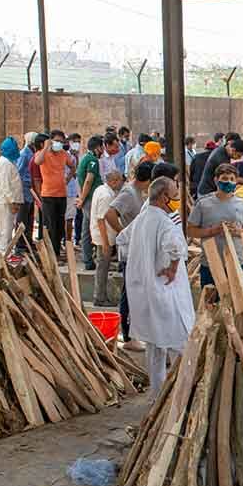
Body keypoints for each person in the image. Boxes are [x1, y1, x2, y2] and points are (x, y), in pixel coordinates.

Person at [121, 178, 194, 394]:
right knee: (181, 343)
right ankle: (181, 394)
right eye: (175, 194)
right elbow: (175, 248)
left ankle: (157, 395)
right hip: (166, 291)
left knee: (155, 346)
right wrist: (172, 268)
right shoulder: (164, 222)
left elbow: (121, 239)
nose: (177, 199)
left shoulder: (142, 219)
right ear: (164, 197)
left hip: (144, 292)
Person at [106, 163, 150, 349]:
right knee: (129, 293)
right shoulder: (129, 193)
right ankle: (127, 335)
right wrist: (124, 233)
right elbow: (109, 213)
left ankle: (133, 333)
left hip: (137, 249)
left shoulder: (139, 193)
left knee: (135, 292)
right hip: (129, 251)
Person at [188, 163, 243, 289]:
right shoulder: (203, 204)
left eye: (232, 179)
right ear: (216, 180)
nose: (228, 182)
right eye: (224, 178)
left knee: (238, 299)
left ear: (236, 182)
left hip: (237, 262)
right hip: (210, 263)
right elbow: (191, 231)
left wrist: (238, 232)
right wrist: (212, 231)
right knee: (210, 298)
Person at [32, 129, 73, 260]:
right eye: (56, 141)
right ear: (50, 141)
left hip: (62, 194)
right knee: (50, 226)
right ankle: (51, 255)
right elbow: (37, 161)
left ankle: (56, 252)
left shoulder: (64, 154)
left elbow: (72, 166)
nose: (59, 144)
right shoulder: (43, 153)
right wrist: (46, 147)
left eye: (61, 141)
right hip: (48, 195)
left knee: (60, 226)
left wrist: (67, 179)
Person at [88, 170, 122, 306]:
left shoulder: (101, 190)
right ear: (114, 181)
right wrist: (105, 243)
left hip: (103, 235)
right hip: (103, 236)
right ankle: (100, 298)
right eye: (119, 181)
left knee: (103, 267)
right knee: (102, 268)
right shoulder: (106, 195)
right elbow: (101, 219)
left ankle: (101, 296)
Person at [75, 135, 106, 258]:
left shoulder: (85, 158)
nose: (103, 150)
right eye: (102, 148)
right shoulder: (92, 160)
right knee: (93, 228)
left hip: (88, 198)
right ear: (97, 148)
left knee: (86, 229)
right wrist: (82, 199)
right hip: (91, 199)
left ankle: (87, 258)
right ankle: (91, 258)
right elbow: (88, 180)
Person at [0, 137, 21, 253]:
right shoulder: (5, 163)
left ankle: (7, 252)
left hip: (7, 201)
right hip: (6, 201)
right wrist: (12, 201)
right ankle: (5, 253)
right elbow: (5, 185)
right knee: (6, 229)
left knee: (8, 228)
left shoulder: (8, 161)